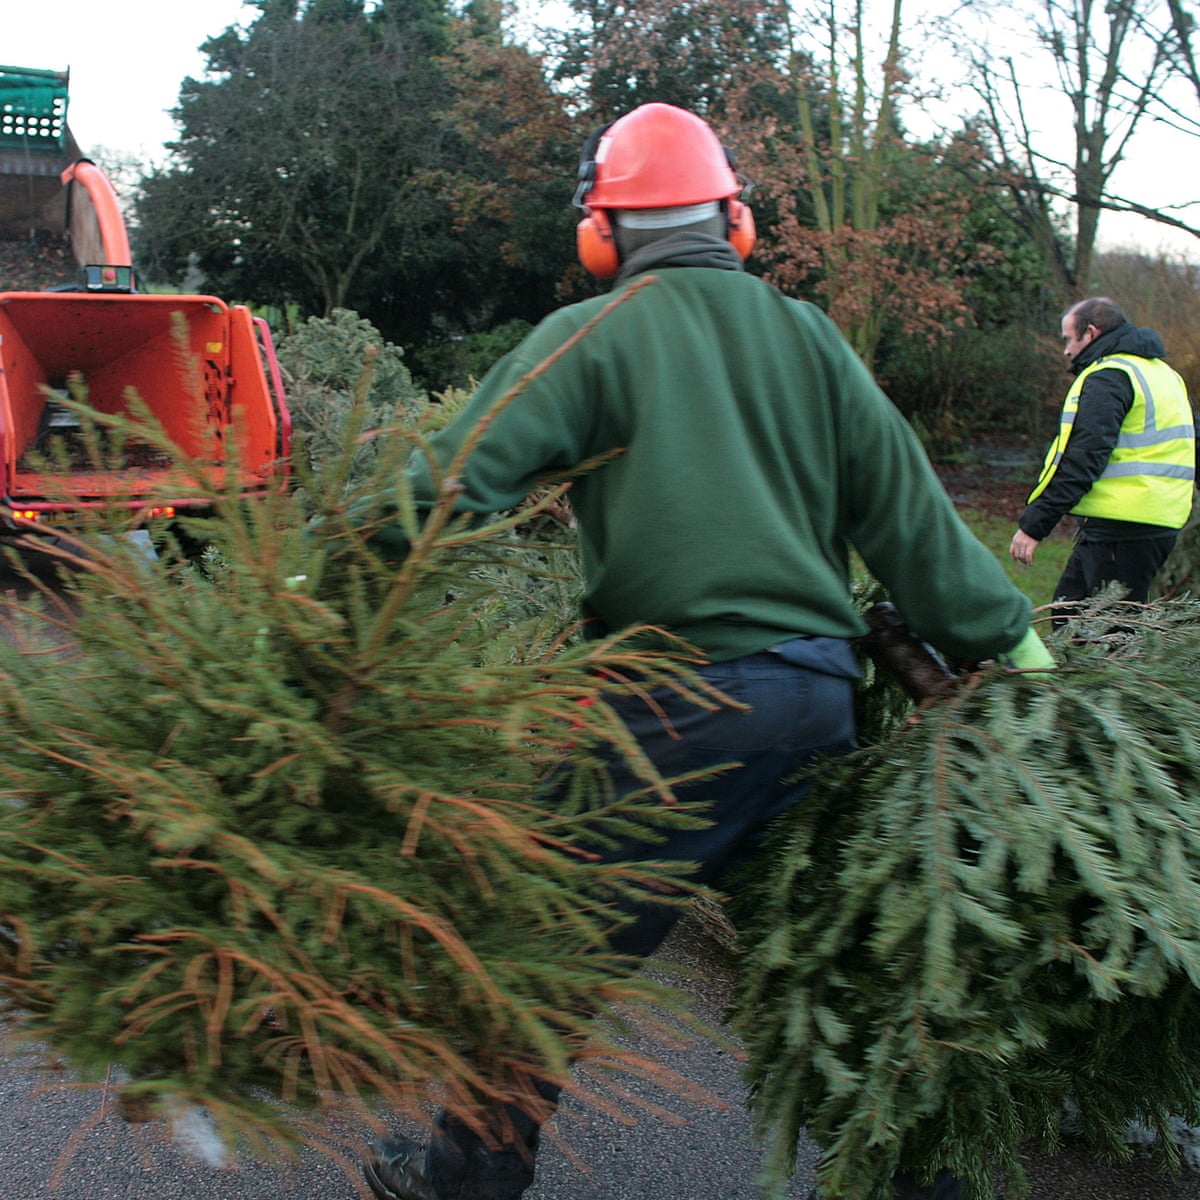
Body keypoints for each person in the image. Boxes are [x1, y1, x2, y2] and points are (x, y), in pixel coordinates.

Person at [359, 102, 1053, 1200]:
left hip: (665, 715)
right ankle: (921, 1180)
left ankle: (462, 1178)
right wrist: (1014, 647)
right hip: (816, 704)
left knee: (540, 947)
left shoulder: (593, 335)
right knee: (827, 959)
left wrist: (336, 582)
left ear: (602, 234)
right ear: (734, 219)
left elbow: (453, 484)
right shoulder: (811, 339)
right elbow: (911, 520)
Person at [1009, 297, 1195, 611]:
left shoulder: (1109, 377)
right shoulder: (1165, 374)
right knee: (1068, 615)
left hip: (1122, 526)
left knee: (1107, 635)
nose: (1066, 350)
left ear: (1091, 333)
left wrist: (1034, 526)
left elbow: (1082, 459)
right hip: (1153, 521)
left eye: (1069, 339)